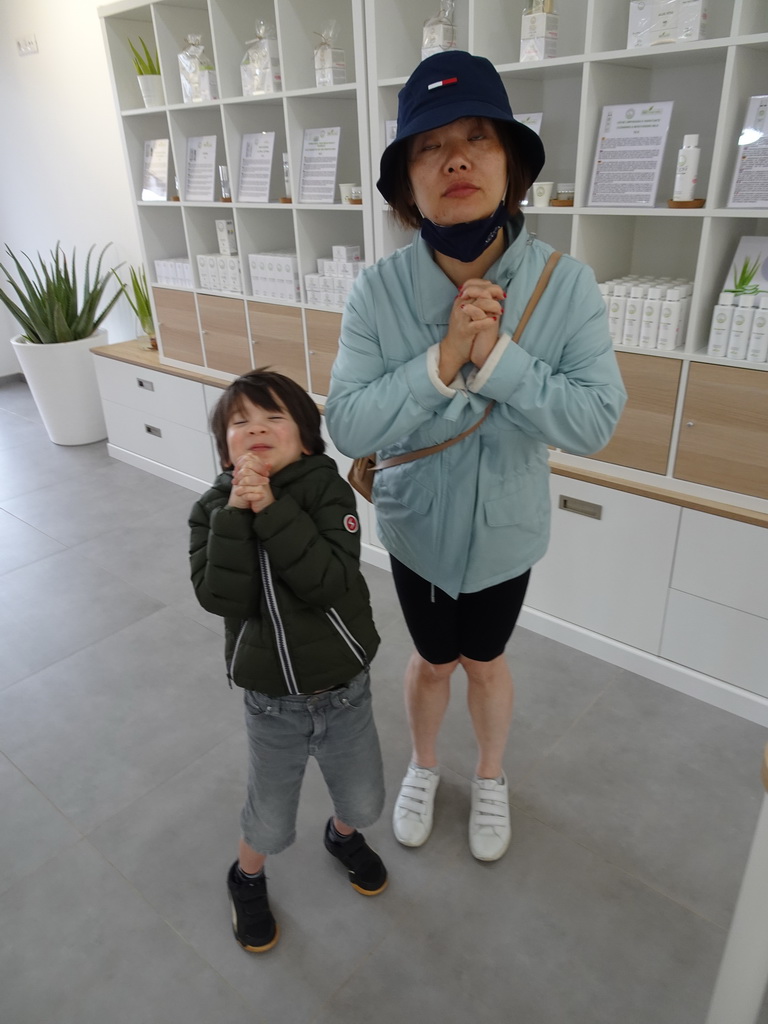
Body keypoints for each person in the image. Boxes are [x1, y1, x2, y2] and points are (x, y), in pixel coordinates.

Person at [325, 51, 626, 863]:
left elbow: (596, 419)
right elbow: (349, 421)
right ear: (405, 187)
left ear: (510, 168)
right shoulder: (376, 292)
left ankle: (490, 776)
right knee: (431, 661)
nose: (456, 157)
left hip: (507, 532)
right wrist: (440, 361)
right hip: (417, 529)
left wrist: (497, 357)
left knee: (486, 663)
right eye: (429, 146)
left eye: (477, 138)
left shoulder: (567, 285)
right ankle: (425, 766)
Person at [189, 369, 387, 954]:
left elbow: (326, 582)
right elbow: (219, 598)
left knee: (365, 800)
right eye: (239, 423)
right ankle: (246, 877)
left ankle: (341, 835)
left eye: (274, 417)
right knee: (270, 819)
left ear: (306, 436)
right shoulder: (210, 509)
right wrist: (235, 515)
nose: (256, 430)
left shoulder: (328, 490)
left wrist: (272, 508)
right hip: (270, 698)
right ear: (224, 447)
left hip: (344, 685)